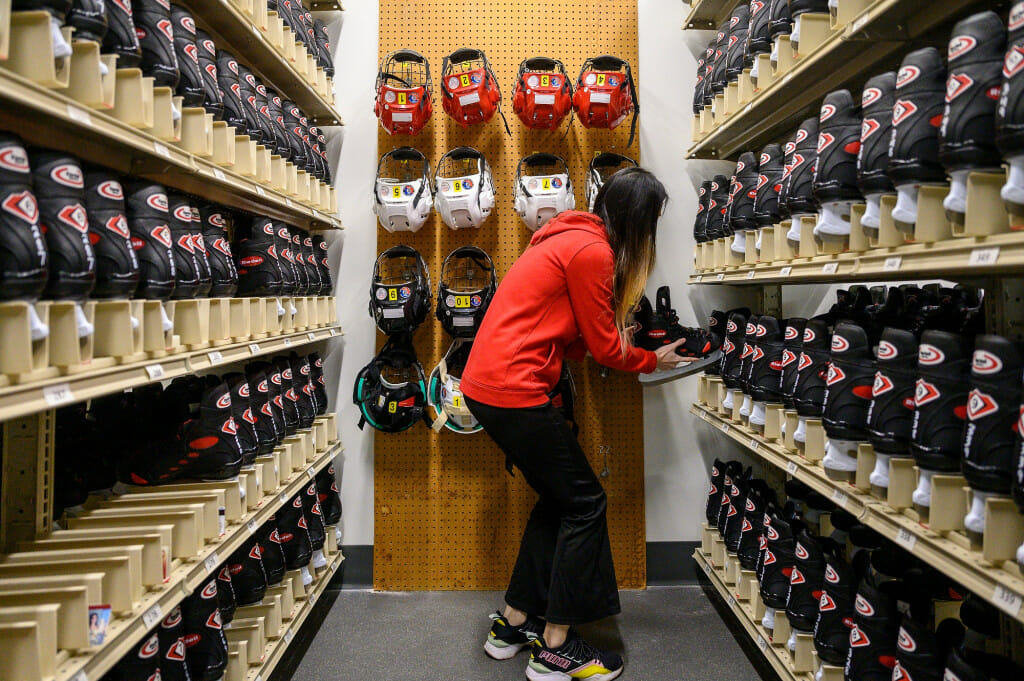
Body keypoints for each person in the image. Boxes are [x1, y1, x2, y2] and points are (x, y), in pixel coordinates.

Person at [462, 167, 692, 681]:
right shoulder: (594, 253)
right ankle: (555, 648)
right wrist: (653, 359)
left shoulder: (570, 236)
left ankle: (513, 625)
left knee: (561, 500)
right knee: (587, 504)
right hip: (514, 388)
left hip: (490, 385)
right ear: (639, 220)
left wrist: (610, 335)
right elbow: (608, 354)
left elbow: (567, 339)